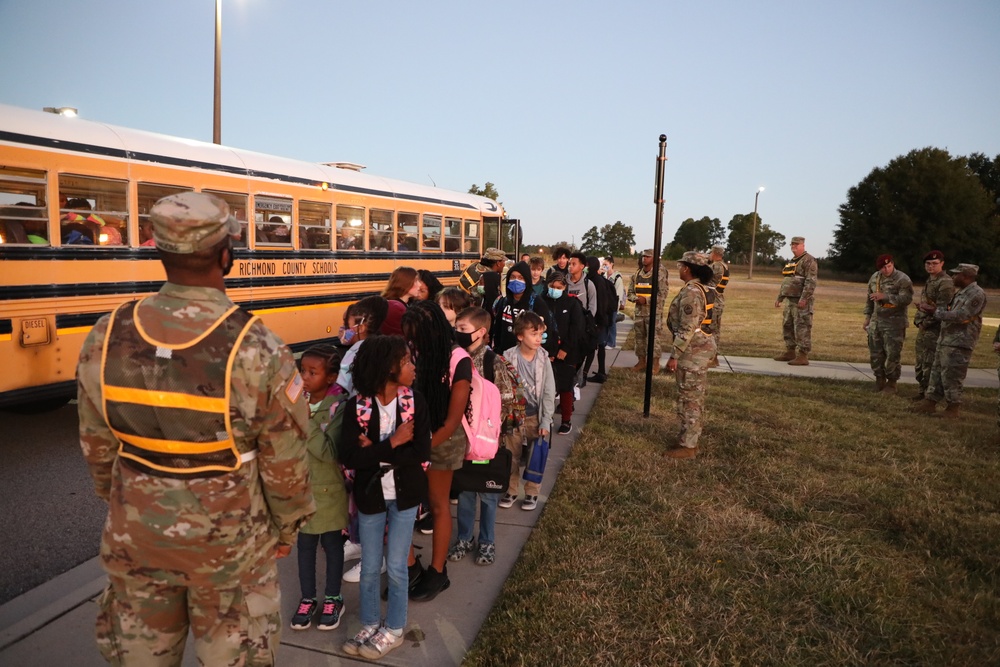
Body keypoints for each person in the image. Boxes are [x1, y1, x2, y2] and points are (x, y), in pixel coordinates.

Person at [76, 191, 315, 665]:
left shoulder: (109, 332)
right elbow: (284, 465)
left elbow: (97, 445)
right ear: (227, 253)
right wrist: (286, 531)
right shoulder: (257, 346)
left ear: (158, 250)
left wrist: (129, 500)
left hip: (137, 541)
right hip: (232, 556)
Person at [337, 335, 430, 660]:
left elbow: (421, 450)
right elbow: (349, 457)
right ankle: (369, 623)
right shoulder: (358, 406)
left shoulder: (415, 401)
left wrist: (373, 451)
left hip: (405, 496)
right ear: (388, 368)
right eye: (406, 361)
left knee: (396, 565)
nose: (412, 367)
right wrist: (392, 444)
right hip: (371, 495)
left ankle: (393, 629)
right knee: (369, 565)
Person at [402, 301, 472, 601]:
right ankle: (408, 567)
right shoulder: (412, 354)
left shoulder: (458, 360)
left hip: (444, 439)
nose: (410, 343)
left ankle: (438, 571)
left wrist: (420, 450)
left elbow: (452, 420)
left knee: (438, 503)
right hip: (413, 439)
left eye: (415, 337)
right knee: (402, 505)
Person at [450, 307, 525, 560]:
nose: (457, 334)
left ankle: (487, 542)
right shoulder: (456, 358)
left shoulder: (493, 362)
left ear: (480, 332)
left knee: (488, 493)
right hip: (463, 441)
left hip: (488, 442)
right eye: (457, 329)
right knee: (465, 491)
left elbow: (506, 401)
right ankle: (464, 538)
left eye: (463, 330)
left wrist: (490, 430)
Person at [291, 345, 349, 632]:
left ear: (331, 377)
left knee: (331, 544)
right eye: (302, 371)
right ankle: (307, 597)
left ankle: (333, 598)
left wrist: (304, 420)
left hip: (328, 490)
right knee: (304, 546)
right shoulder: (296, 401)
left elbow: (328, 451)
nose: (305, 377)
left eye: (313, 372)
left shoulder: (339, 405)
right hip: (301, 487)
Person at [913, 263, 987, 418]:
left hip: (960, 342)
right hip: (946, 339)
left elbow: (962, 315)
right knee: (937, 371)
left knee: (952, 375)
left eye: (956, 274)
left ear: (966, 276)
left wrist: (934, 311)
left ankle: (953, 408)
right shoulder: (961, 293)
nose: (953, 277)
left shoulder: (976, 294)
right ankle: (930, 402)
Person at [665, 252, 717, 459]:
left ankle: (689, 446)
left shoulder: (692, 293)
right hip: (699, 349)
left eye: (681, 266)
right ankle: (688, 437)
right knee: (694, 396)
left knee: (690, 398)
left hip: (692, 352)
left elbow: (688, 327)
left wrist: (674, 354)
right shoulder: (703, 289)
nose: (679, 269)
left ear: (687, 269)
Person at [502, 311, 555, 510]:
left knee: (536, 455)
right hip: (513, 415)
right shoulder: (507, 358)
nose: (538, 339)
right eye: (534, 334)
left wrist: (546, 420)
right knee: (511, 453)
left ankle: (532, 492)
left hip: (535, 415)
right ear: (520, 336)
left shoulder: (543, 360)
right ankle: (511, 489)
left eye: (540, 335)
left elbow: (549, 391)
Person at [542, 272, 585, 435]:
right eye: (552, 287)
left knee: (566, 387)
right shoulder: (541, 301)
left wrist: (564, 349)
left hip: (567, 353)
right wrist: (548, 352)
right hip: (545, 352)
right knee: (546, 388)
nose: (555, 290)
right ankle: (547, 417)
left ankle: (566, 420)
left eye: (559, 287)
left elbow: (576, 329)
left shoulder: (572, 303)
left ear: (565, 287)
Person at [863, 254, 913, 394]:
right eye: (883, 267)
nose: (886, 269)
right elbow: (869, 299)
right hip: (876, 321)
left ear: (892, 263)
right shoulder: (875, 277)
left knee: (892, 354)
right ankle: (879, 380)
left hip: (894, 323)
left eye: (889, 266)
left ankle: (891, 383)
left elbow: (906, 298)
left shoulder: (902, 279)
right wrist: (867, 318)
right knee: (876, 353)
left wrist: (885, 297)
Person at [490, 259, 557, 356]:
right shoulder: (503, 301)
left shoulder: (536, 302)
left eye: (521, 278)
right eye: (512, 277)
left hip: (527, 357)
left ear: (527, 280)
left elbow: (547, 330)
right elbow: (497, 328)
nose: (516, 281)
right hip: (504, 356)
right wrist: (497, 350)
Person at [912, 250, 954, 402]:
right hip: (924, 328)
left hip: (935, 329)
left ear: (942, 264)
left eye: (935, 264)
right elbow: (928, 304)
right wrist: (919, 320)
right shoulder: (931, 280)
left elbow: (942, 310)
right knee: (921, 361)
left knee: (930, 363)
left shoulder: (945, 283)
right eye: (928, 264)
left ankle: (930, 395)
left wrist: (925, 323)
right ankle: (922, 391)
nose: (931, 266)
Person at [773, 236, 818, 366]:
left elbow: (811, 282)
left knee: (802, 327)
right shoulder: (792, 261)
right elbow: (787, 281)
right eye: (792, 244)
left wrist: (804, 298)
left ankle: (803, 355)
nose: (794, 246)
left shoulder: (809, 260)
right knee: (788, 325)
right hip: (790, 300)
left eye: (796, 244)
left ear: (803, 245)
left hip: (801, 301)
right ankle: (790, 351)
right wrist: (780, 297)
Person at [627, 248, 669, 372]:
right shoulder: (637, 274)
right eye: (643, 256)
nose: (644, 258)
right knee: (639, 338)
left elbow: (662, 294)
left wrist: (646, 300)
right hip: (639, 313)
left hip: (653, 313)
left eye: (648, 257)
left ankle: (655, 364)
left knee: (654, 338)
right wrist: (635, 299)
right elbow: (630, 292)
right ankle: (641, 361)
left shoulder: (659, 273)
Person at [380, 267, 424, 336]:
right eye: (416, 281)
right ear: (405, 283)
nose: (420, 284)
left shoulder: (409, 303)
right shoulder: (394, 308)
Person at [707, 245, 729, 367]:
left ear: (714, 253)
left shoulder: (715, 266)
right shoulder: (724, 266)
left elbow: (705, 279)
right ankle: (713, 357)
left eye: (710, 253)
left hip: (713, 301)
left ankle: (712, 358)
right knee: (715, 330)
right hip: (719, 300)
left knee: (711, 330)